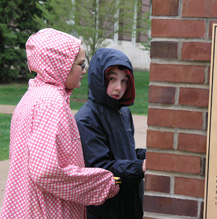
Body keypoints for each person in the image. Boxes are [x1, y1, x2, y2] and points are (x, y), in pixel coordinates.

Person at [0, 28, 119, 219]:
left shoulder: (33, 95)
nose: (84, 70)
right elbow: (46, 171)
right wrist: (103, 182)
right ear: (61, 64)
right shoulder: (50, 103)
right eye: (80, 64)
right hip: (46, 210)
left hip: (28, 207)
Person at [75, 48, 146, 219]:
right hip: (106, 209)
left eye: (124, 80)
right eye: (112, 79)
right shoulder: (86, 118)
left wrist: (147, 156)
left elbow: (124, 154)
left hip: (131, 202)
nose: (119, 88)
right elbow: (102, 167)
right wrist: (140, 167)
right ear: (99, 78)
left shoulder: (123, 112)